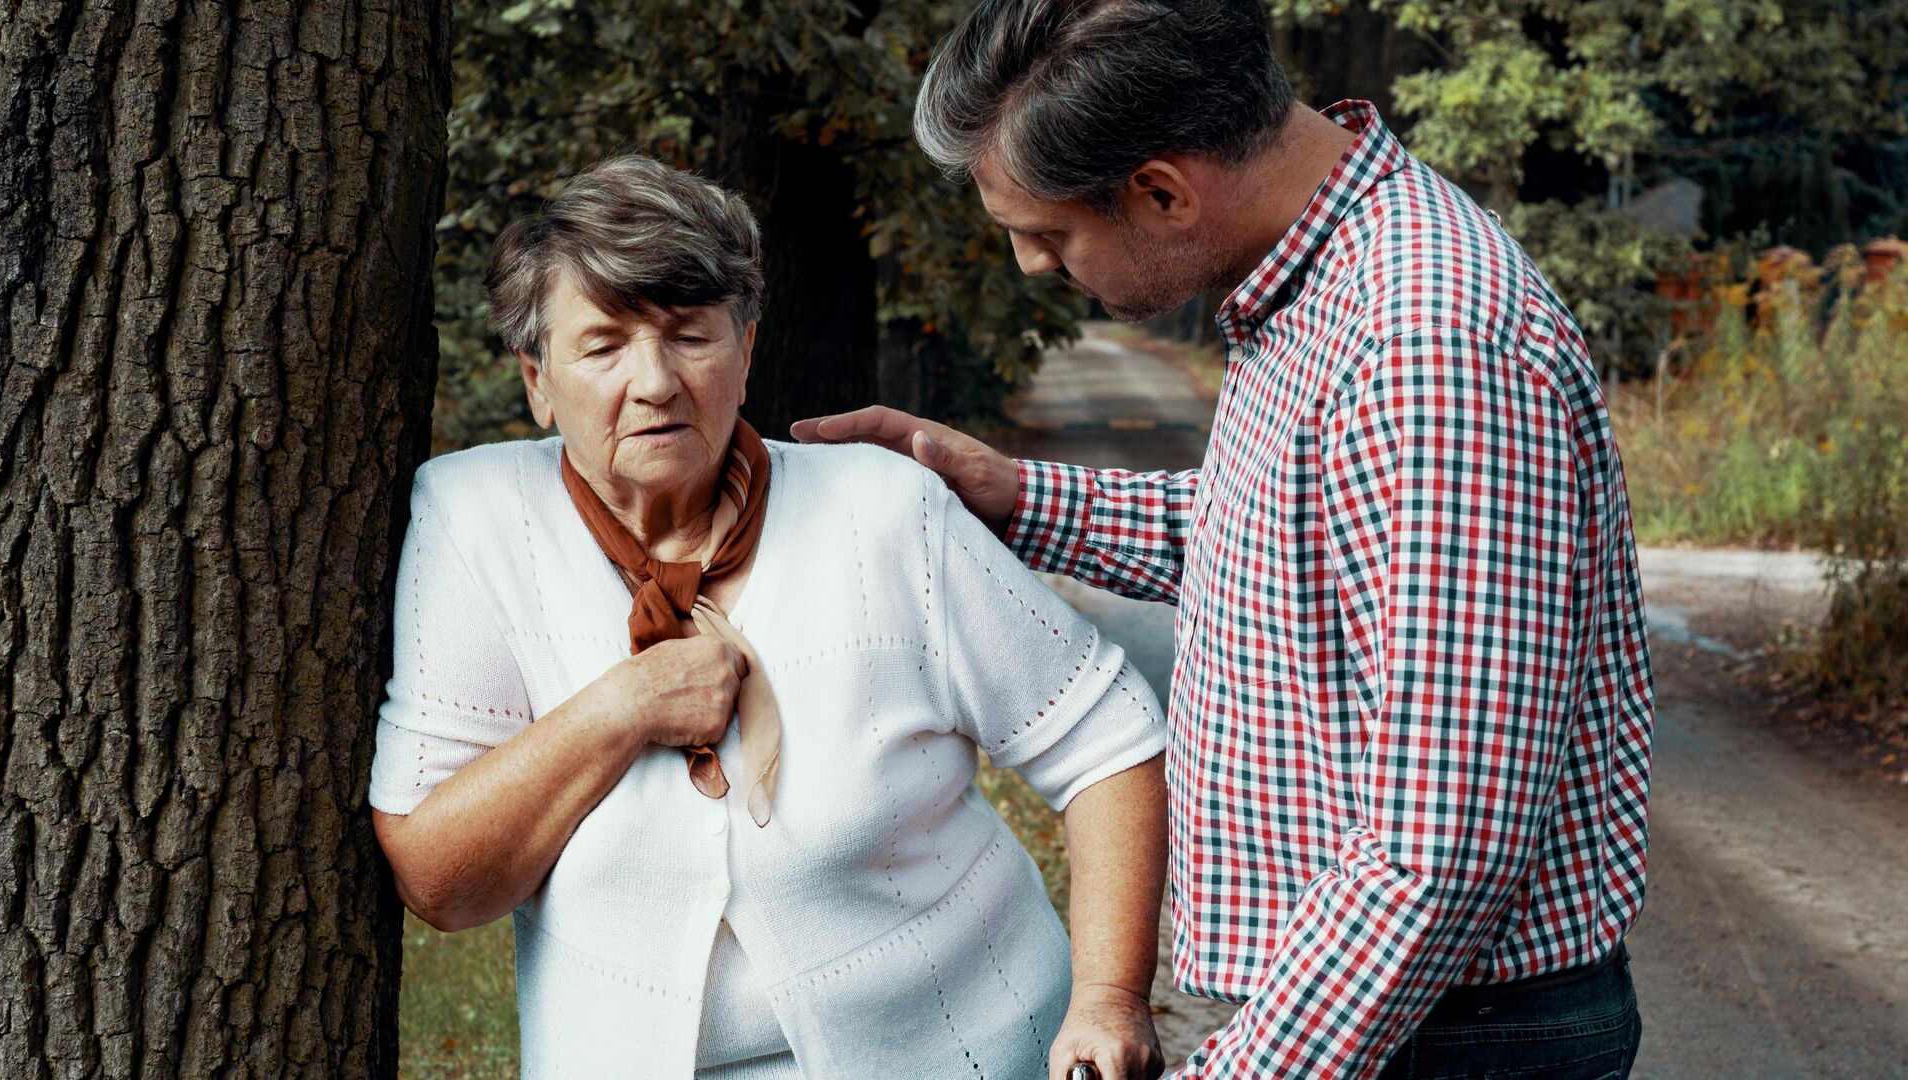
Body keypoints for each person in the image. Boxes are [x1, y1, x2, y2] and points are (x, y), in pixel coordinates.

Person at [793, 1, 1656, 1076]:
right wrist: (1014, 495)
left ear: (1161, 191)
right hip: (1389, 1016)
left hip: (1444, 1036)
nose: (1029, 265)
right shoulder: (1320, 287)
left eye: (1047, 233)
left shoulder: (1425, 345)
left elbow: (1441, 854)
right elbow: (1286, 548)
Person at [369, 154, 1170, 1080]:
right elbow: (440, 881)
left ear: (746, 351)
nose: (657, 381)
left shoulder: (884, 508)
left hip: (968, 1051)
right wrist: (620, 708)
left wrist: (1109, 1000)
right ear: (537, 379)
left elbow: (1106, 742)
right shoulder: (474, 519)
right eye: (603, 345)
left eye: (689, 335)